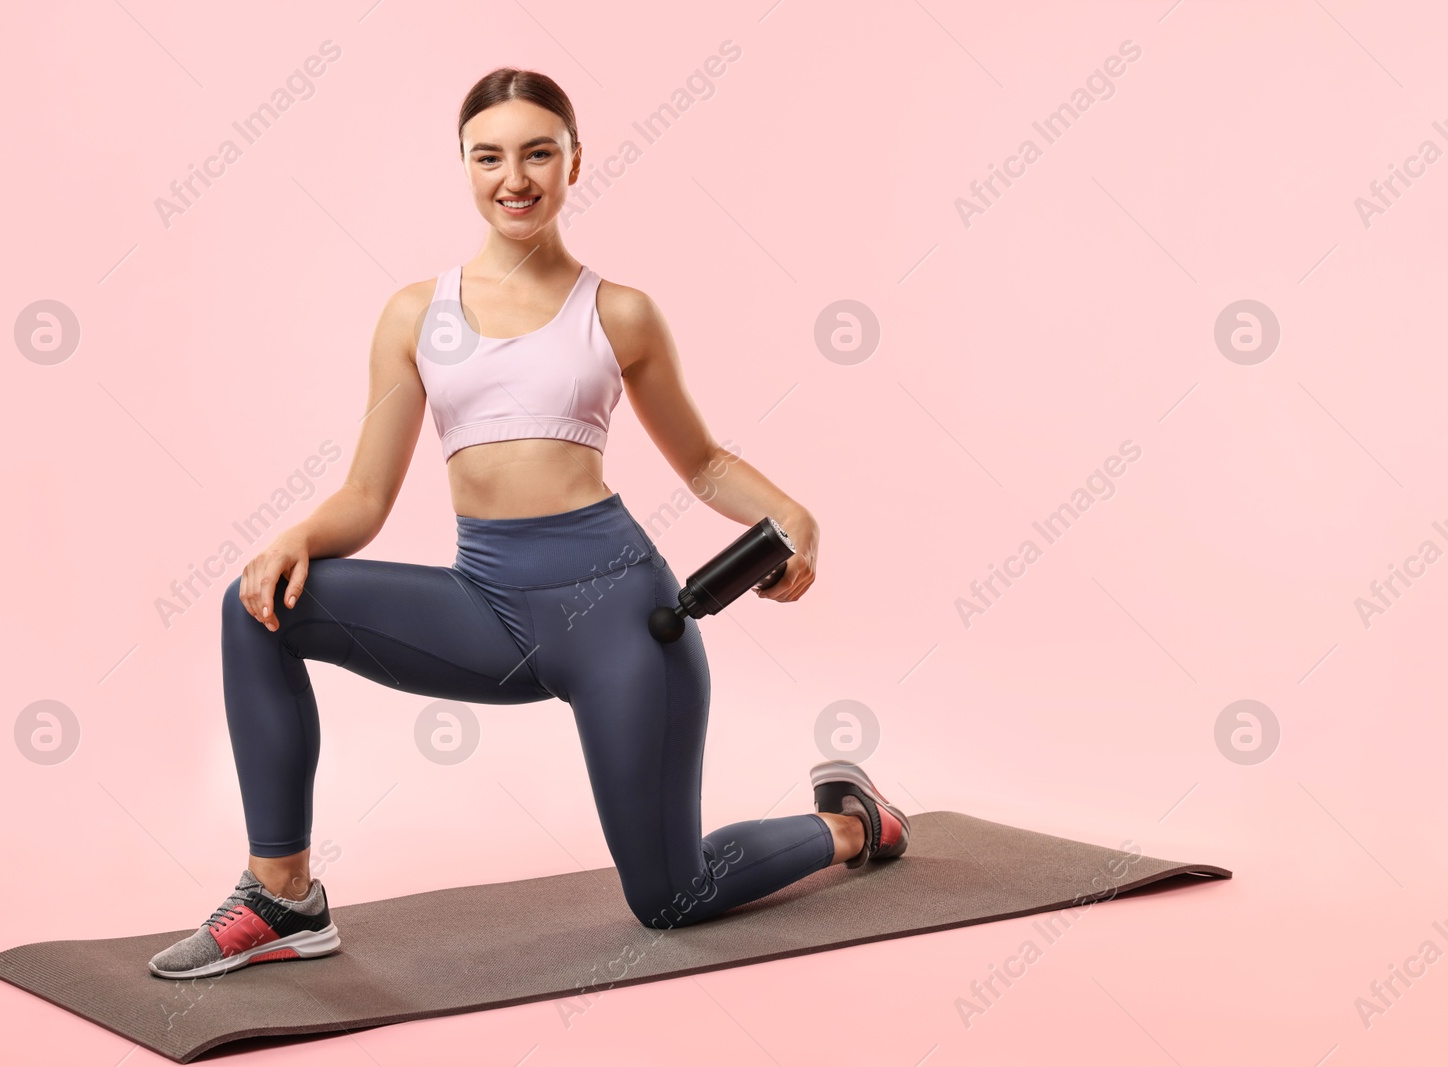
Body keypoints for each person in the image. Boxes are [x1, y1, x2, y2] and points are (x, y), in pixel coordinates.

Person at [149, 67, 910, 981]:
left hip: (623, 620)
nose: (515, 177)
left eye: (538, 153)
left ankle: (853, 821)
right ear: (465, 167)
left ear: (574, 162)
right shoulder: (413, 315)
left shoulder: (618, 312)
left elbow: (703, 462)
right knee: (257, 606)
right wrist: (297, 539)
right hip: (489, 609)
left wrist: (792, 511)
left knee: (671, 897)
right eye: (491, 156)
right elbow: (366, 495)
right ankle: (283, 896)